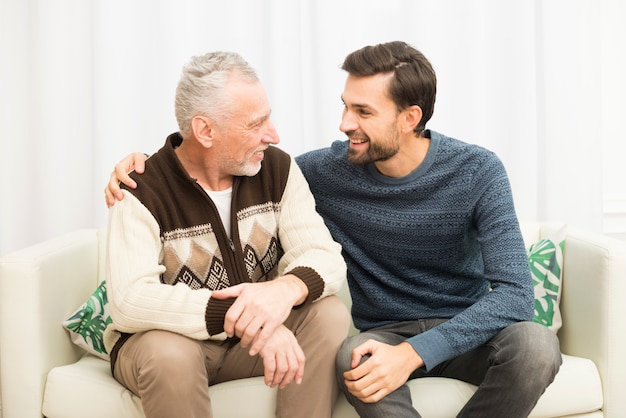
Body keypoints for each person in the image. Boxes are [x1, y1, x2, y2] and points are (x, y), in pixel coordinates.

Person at [106, 41, 562, 418]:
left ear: (410, 118)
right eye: (345, 107)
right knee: (350, 353)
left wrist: (414, 352)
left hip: (466, 328)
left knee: (537, 346)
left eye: (362, 111)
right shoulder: (313, 171)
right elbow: (131, 295)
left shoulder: (477, 170)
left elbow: (514, 295)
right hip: (376, 334)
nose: (345, 124)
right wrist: (145, 163)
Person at [102, 51, 350, 418]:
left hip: (245, 346)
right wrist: (246, 314)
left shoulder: (277, 169)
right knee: (171, 355)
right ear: (205, 130)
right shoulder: (139, 189)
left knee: (327, 314)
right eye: (256, 123)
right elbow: (129, 300)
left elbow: (324, 255)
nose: (274, 134)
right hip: (173, 345)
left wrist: (282, 292)